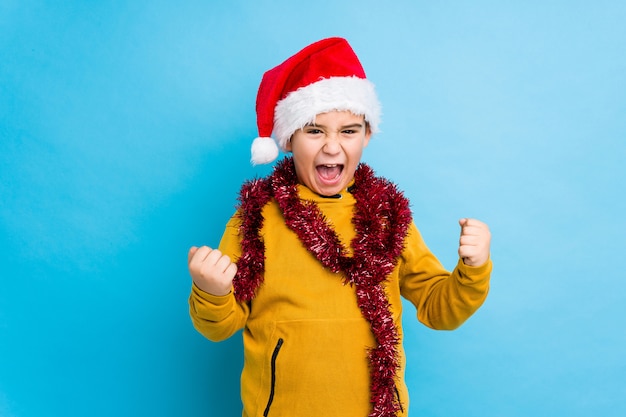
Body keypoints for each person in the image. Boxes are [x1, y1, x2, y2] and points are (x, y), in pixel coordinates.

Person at [188, 37, 492, 417]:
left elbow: (438, 308)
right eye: (315, 131)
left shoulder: (388, 216)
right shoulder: (256, 217)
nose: (332, 147)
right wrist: (212, 291)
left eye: (348, 131)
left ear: (366, 135)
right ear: (288, 140)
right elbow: (219, 326)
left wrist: (472, 271)